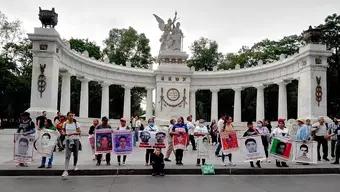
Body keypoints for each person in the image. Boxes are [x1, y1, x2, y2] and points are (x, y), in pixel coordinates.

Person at [61, 112, 81, 178]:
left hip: (76, 140)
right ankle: (65, 170)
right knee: (67, 155)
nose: (71, 117)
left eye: (72, 115)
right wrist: (64, 133)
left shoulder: (76, 123)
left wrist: (73, 133)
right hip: (68, 140)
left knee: (75, 154)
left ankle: (75, 165)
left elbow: (79, 132)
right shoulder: (65, 123)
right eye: (70, 116)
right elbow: (63, 131)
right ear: (67, 116)